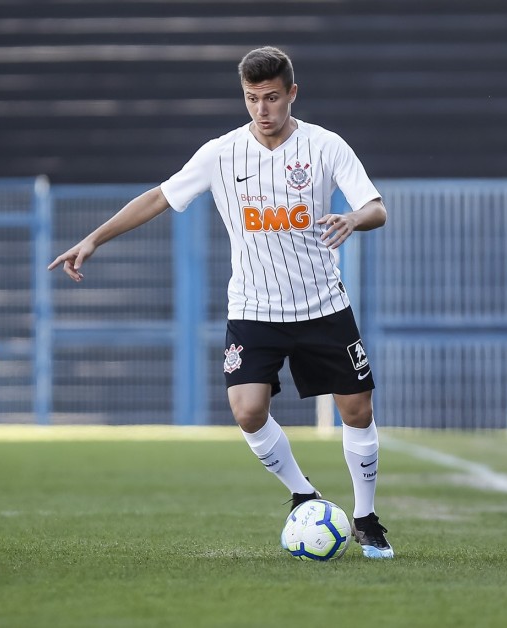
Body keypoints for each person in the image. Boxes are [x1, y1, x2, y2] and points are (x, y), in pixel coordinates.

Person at [49, 46, 393, 559]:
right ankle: (303, 493)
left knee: (356, 409)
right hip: (254, 309)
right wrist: (94, 239)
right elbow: (159, 197)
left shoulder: (325, 146)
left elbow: (376, 207)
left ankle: (365, 517)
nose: (263, 109)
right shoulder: (221, 153)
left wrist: (351, 219)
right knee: (248, 411)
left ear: (292, 94)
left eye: (273, 97)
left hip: (321, 304)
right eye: (253, 98)